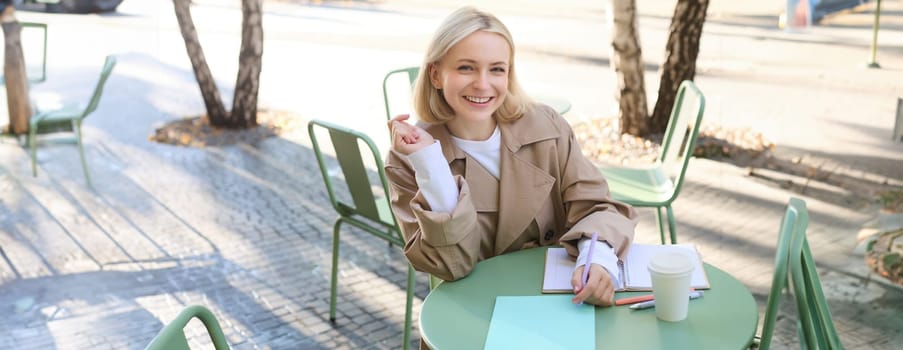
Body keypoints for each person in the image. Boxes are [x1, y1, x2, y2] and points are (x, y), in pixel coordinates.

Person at [385, 6, 638, 307]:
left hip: (562, 299)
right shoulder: (410, 158)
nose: (483, 83)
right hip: (477, 308)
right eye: (466, 67)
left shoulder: (547, 127)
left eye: (496, 69)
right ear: (436, 75)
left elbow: (598, 207)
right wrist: (432, 165)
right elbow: (451, 265)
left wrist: (596, 259)